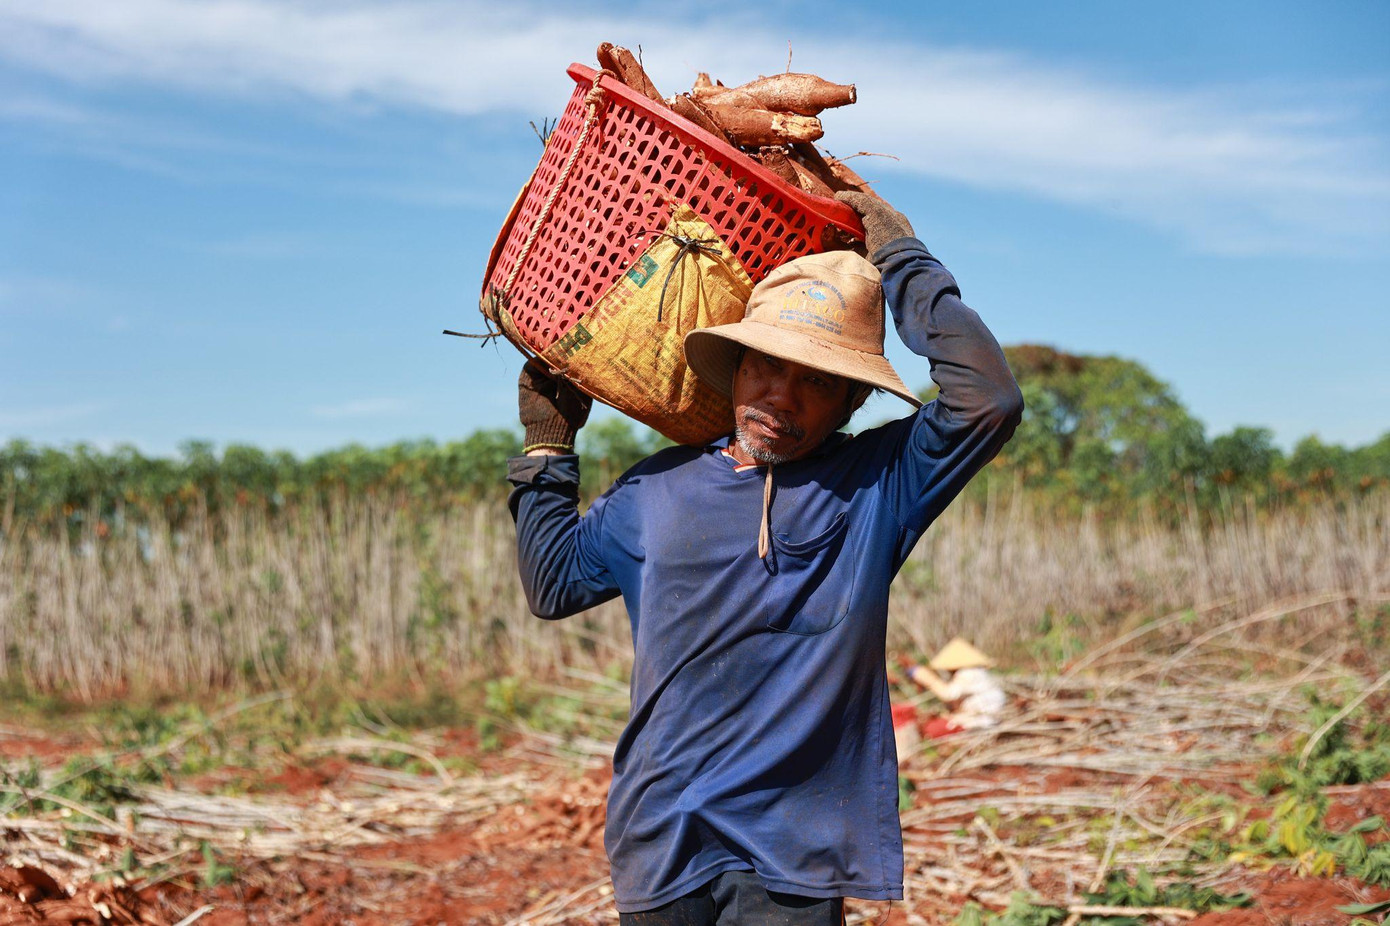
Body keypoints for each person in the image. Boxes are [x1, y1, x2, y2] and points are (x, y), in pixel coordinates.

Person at [506, 191, 1023, 923]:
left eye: (817, 380)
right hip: (662, 834)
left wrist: (903, 261)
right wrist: (547, 447)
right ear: (736, 367)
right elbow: (554, 583)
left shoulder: (877, 483)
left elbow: (988, 399)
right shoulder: (654, 490)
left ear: (850, 403)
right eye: (766, 367)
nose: (781, 396)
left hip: (794, 851)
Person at [905, 638, 1008, 737]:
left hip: (982, 721)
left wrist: (925, 677)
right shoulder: (975, 673)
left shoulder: (968, 673)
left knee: (930, 729)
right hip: (978, 716)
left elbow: (947, 694)